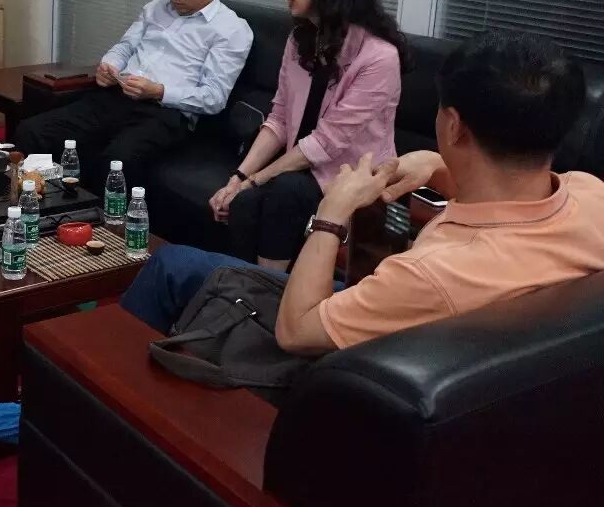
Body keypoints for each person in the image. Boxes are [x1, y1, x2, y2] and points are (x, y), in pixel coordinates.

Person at [121, 30, 604, 357]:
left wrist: (331, 214)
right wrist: (437, 166)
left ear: (454, 125)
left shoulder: (432, 272)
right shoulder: (590, 194)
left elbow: (296, 331)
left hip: (350, 355)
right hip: (435, 331)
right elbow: (512, 207)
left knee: (171, 265)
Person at [208, 0, 409, 269]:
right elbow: (279, 118)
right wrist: (238, 178)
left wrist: (256, 179)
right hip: (300, 172)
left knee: (286, 191)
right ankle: (243, 288)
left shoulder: (379, 57)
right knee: (243, 203)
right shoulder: (301, 39)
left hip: (352, 181)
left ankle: (267, 290)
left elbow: (325, 144)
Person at [15, 0, 253, 190]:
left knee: (116, 162)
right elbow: (125, 47)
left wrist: (158, 91)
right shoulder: (155, 8)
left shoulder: (231, 30)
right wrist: (109, 65)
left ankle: (96, 216)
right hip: (117, 96)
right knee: (32, 131)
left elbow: (214, 97)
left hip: (165, 114)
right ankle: (39, 204)